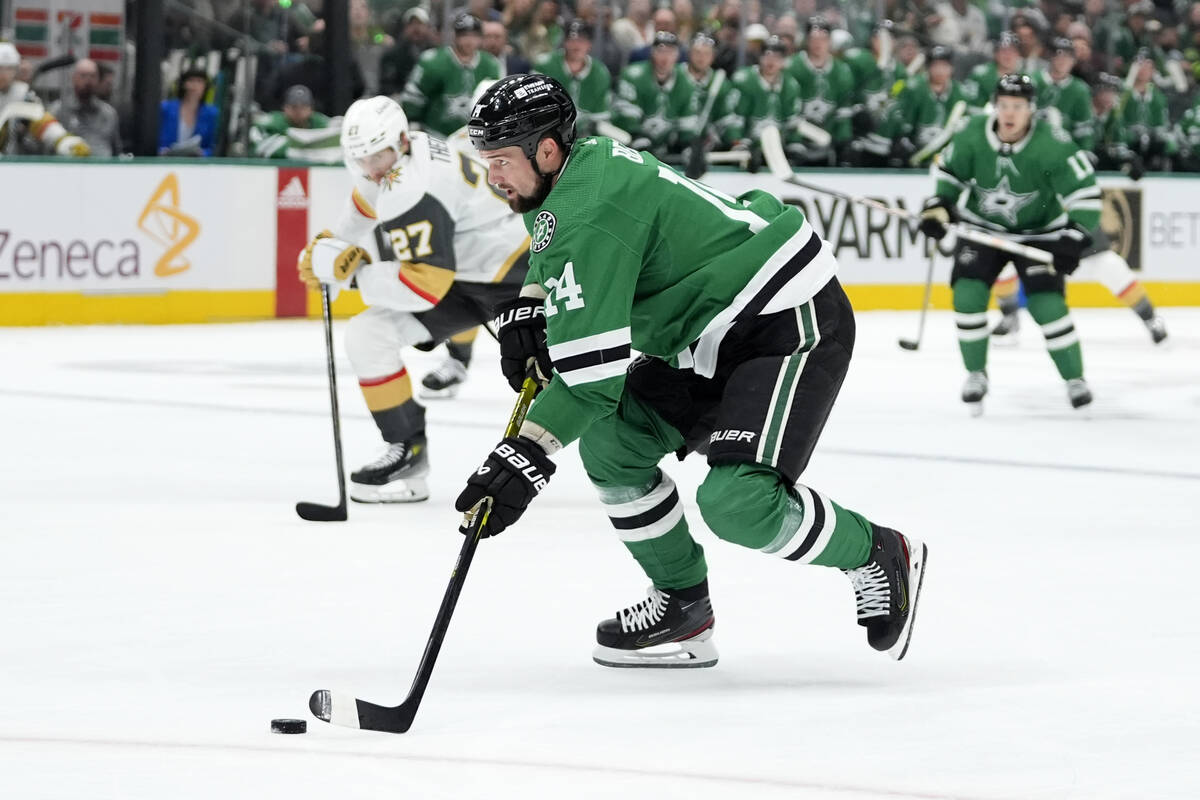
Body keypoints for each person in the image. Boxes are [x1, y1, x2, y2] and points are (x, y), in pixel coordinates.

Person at [457, 73, 927, 669]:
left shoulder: (587, 209)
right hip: (705, 329)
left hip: (782, 318)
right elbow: (562, 254)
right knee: (611, 445)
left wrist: (525, 452)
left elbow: (592, 380)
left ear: (546, 149)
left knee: (737, 504)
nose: (491, 176)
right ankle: (684, 605)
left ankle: (878, 551)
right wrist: (533, 297)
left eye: (499, 160)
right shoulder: (574, 172)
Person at [295, 96, 530, 503]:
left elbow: (424, 285)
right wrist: (333, 246)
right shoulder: (398, 154)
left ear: (400, 141)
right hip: (466, 271)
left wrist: (350, 275)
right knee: (369, 335)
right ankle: (408, 451)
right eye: (360, 159)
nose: (370, 168)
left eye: (377, 157)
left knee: (565, 377)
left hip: (511, 275)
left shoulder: (411, 186)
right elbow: (365, 200)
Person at [919, 74, 1099, 413]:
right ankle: (976, 374)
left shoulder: (1054, 144)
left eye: (1017, 106)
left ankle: (1075, 379)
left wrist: (1073, 238)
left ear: (1031, 109)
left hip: (1039, 232)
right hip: (983, 229)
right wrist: (939, 206)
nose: (1009, 113)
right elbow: (949, 175)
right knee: (967, 294)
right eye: (1003, 105)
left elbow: (1086, 196)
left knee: (1048, 306)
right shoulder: (972, 133)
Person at [400, 13, 502, 137]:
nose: (469, 41)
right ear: (455, 36)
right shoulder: (432, 60)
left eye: (474, 36)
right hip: (435, 135)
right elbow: (414, 96)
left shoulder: (491, 64)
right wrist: (413, 124)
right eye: (464, 35)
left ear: (480, 38)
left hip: (474, 139)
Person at [612, 31, 694, 158]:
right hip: (629, 150)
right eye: (660, 51)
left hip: (666, 152)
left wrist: (688, 146)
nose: (665, 58)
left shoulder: (686, 82)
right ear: (652, 52)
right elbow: (627, 119)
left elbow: (687, 125)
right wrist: (638, 137)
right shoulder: (633, 76)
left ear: (677, 55)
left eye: (670, 52)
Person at [0, 41, 90, 157]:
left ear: (16, 70)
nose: (3, 74)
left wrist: (66, 143)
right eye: (0, 68)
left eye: (9, 68)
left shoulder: (22, 95)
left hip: (10, 164)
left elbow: (43, 123)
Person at [786, 17, 854, 164]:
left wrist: (843, 141)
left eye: (823, 39)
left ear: (829, 40)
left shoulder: (842, 70)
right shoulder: (792, 66)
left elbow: (843, 111)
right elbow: (787, 106)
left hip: (828, 137)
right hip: (798, 138)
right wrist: (793, 139)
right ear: (807, 40)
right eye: (813, 38)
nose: (818, 43)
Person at [533, 21, 613, 140]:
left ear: (589, 44)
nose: (576, 45)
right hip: (548, 132)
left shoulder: (600, 72)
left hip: (586, 137)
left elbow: (600, 117)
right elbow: (535, 108)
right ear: (564, 42)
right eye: (572, 40)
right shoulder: (544, 66)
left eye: (581, 40)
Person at [49, 59, 123, 157]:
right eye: (83, 76)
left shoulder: (109, 113)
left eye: (92, 76)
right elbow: (47, 147)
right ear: (74, 78)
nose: (88, 81)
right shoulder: (58, 110)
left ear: (98, 80)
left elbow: (116, 150)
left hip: (102, 168)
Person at [250, 84, 340, 161]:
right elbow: (261, 148)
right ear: (285, 108)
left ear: (311, 109)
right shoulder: (272, 122)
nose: (298, 111)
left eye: (303, 107)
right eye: (294, 107)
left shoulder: (320, 122)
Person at [1034, 38, 1093, 153]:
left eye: (1068, 57)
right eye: (1059, 55)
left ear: (1074, 61)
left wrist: (1084, 150)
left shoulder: (1080, 90)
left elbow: (1084, 127)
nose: (1063, 60)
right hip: (1032, 144)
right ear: (1050, 57)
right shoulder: (1033, 81)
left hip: (1064, 149)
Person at [158, 68, 219, 156]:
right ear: (183, 84)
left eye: (199, 81)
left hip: (195, 163)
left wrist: (202, 153)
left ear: (205, 86)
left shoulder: (211, 113)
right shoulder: (166, 108)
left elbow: (212, 147)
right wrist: (162, 151)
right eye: (191, 81)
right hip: (165, 160)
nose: (194, 85)